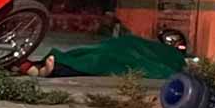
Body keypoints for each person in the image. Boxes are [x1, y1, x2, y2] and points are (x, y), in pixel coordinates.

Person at [18, 34, 186, 79]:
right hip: (124, 47)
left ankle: (47, 68)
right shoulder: (159, 48)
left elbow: (159, 64)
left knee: (97, 59)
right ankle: (41, 67)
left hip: (124, 52)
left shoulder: (173, 55)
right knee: (93, 55)